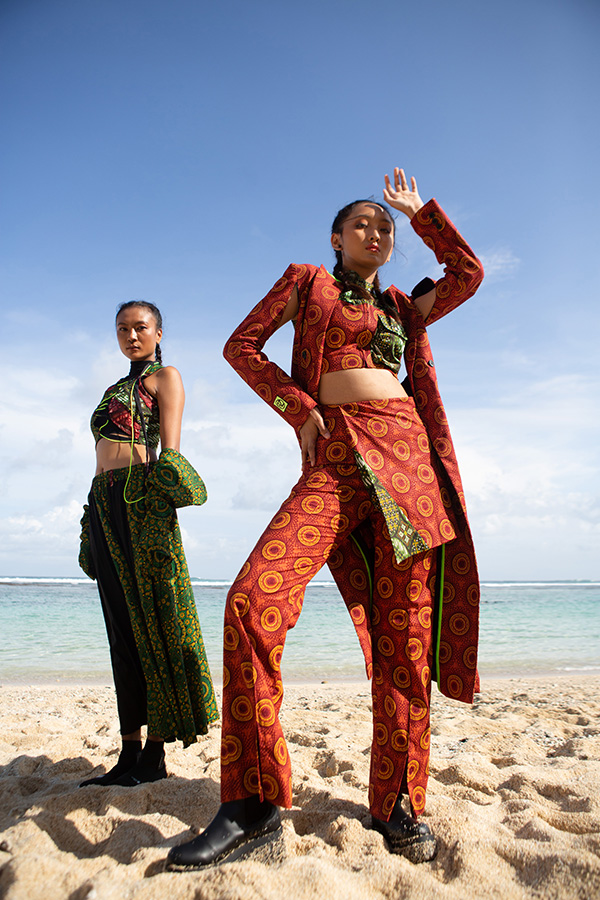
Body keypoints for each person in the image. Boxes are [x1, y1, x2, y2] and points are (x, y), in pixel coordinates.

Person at [167, 168, 484, 869]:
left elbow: (467, 273)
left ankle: (397, 803)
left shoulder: (403, 305)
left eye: (386, 229)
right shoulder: (307, 282)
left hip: (407, 466)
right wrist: (300, 408)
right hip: (335, 460)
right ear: (336, 238)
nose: (377, 233)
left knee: (405, 642)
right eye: (362, 224)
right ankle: (252, 801)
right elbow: (242, 345)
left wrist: (421, 214)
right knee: (252, 601)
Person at [78, 300, 218, 787]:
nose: (131, 335)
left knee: (155, 622)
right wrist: (91, 515)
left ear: (159, 333)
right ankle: (129, 751)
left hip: (142, 497)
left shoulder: (165, 378)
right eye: (123, 329)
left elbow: (171, 452)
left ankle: (155, 753)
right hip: (103, 501)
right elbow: (99, 456)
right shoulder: (111, 390)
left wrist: (159, 498)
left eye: (140, 327)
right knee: (120, 627)